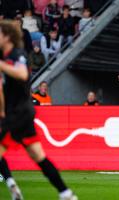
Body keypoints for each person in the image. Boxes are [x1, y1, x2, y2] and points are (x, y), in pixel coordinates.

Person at [0, 20, 77, 200]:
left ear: (7, 37)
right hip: (18, 113)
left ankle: (10, 181)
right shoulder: (5, 58)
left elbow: (22, 74)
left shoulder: (17, 55)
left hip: (19, 113)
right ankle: (66, 193)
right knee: (38, 156)